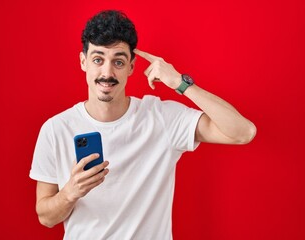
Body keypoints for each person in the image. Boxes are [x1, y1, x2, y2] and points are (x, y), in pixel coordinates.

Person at [29, 10, 256, 240]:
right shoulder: (55, 129)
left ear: (131, 67)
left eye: (118, 61)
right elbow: (46, 217)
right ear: (83, 62)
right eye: (98, 59)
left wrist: (180, 83)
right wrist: (70, 193)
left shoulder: (162, 118)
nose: (107, 73)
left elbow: (243, 132)